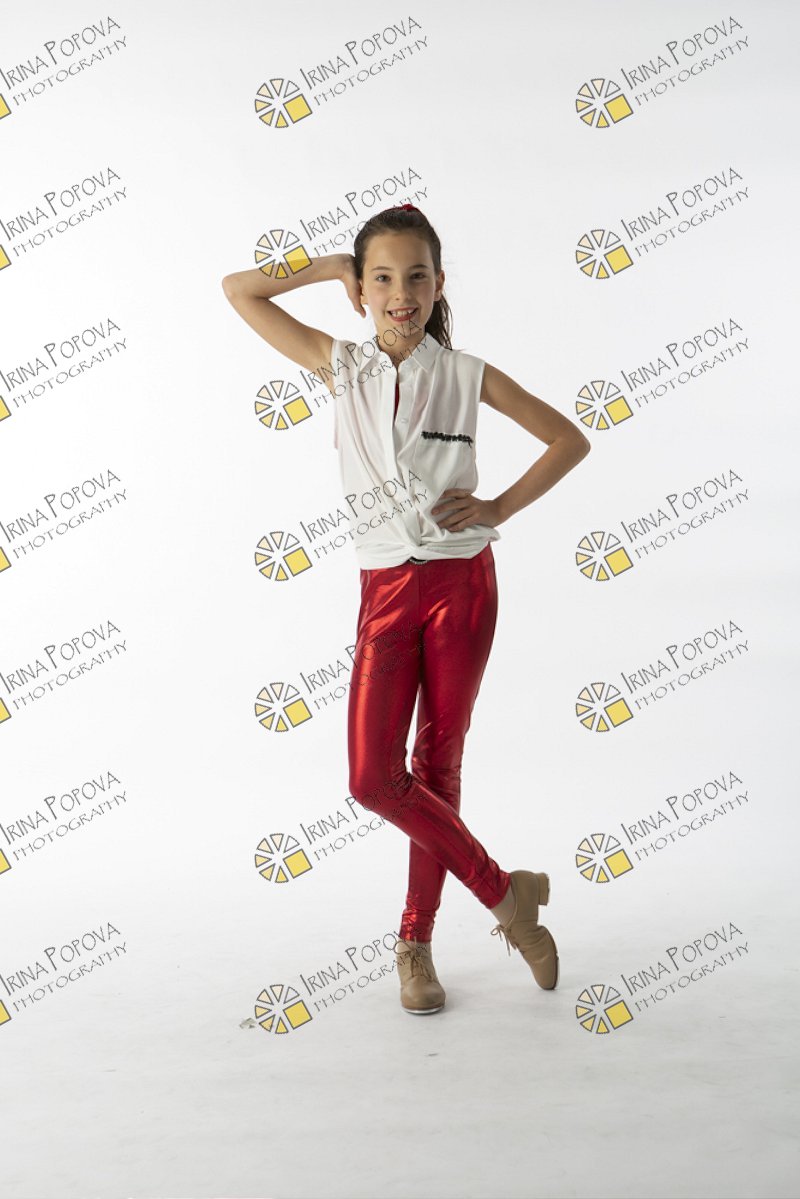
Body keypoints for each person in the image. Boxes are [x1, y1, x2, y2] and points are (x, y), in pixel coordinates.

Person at [222, 204, 591, 1015]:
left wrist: (498, 506)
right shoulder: (342, 365)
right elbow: (239, 290)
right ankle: (508, 895)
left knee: (437, 764)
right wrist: (329, 267)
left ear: (439, 284)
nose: (400, 294)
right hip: (385, 589)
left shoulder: (466, 374)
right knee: (371, 778)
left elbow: (570, 439)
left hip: (463, 585)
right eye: (382, 278)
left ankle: (415, 944)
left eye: (416, 277)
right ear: (363, 290)